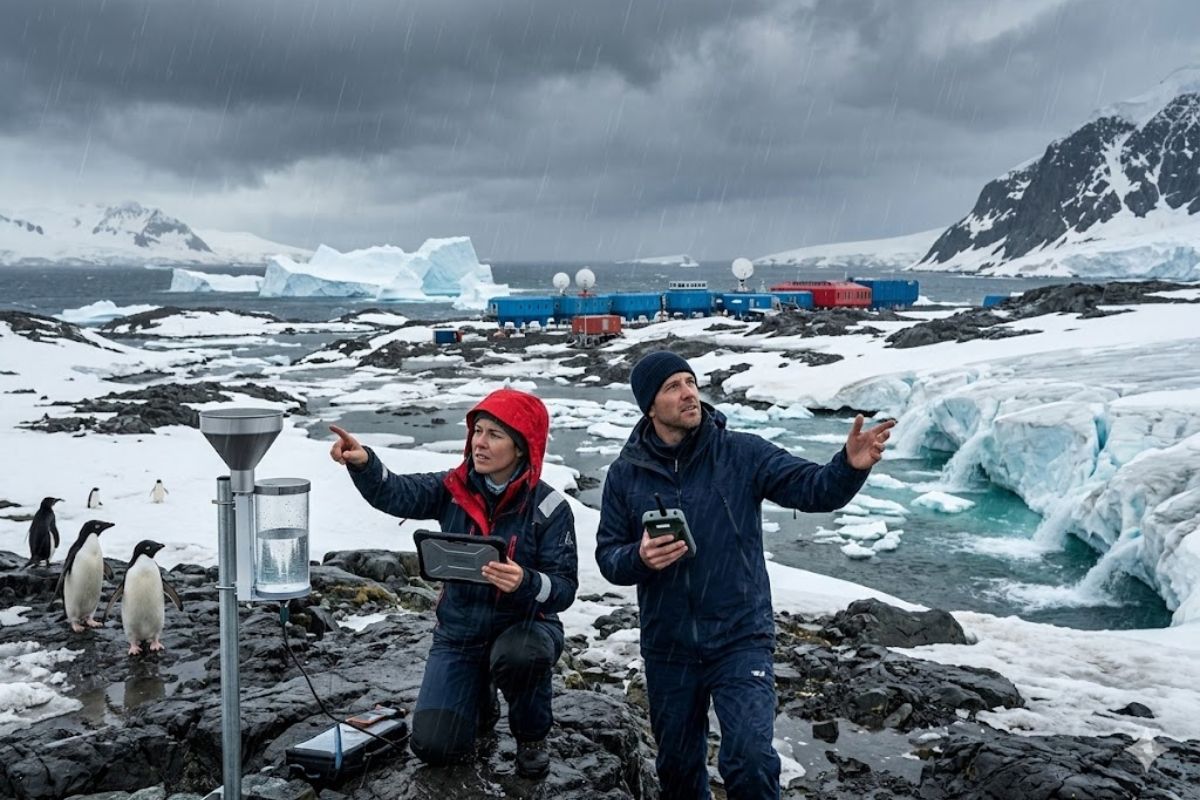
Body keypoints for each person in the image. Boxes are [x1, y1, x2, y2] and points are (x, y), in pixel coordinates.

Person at [595, 351, 894, 799]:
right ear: (649, 406)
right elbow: (607, 556)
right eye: (672, 387)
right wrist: (639, 558)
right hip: (668, 644)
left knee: (751, 759)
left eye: (690, 381)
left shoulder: (741, 453)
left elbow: (812, 488)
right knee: (677, 768)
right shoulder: (626, 474)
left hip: (739, 636)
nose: (688, 393)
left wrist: (848, 467)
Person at [329, 387, 578, 778]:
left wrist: (526, 582)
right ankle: (481, 700)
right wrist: (364, 465)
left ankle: (531, 736)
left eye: (495, 435)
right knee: (435, 747)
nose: (480, 443)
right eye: (478, 431)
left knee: (520, 656)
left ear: (522, 447)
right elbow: (398, 493)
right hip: (459, 632)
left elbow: (563, 588)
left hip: (525, 627)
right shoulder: (453, 487)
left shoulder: (549, 508)